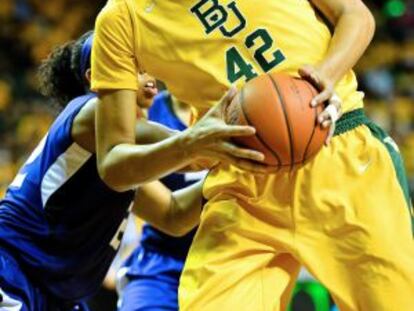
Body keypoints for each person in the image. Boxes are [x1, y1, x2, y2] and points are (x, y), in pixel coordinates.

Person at [91, 0, 414, 310]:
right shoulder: (120, 18)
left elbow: (355, 14)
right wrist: (190, 143)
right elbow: (113, 164)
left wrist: (324, 77)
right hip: (243, 181)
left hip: (339, 150)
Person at [0, 31, 262, 311]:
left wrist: (235, 178)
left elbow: (173, 214)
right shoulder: (91, 111)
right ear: (96, 76)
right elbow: (190, 153)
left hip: (59, 295)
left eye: (150, 67)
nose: (150, 77)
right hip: (14, 269)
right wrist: (252, 135)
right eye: (138, 70)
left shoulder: (122, 162)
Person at [117, 91, 205, 311]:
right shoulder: (145, 111)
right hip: (162, 260)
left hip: (228, 258)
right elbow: (168, 213)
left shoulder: (244, 102)